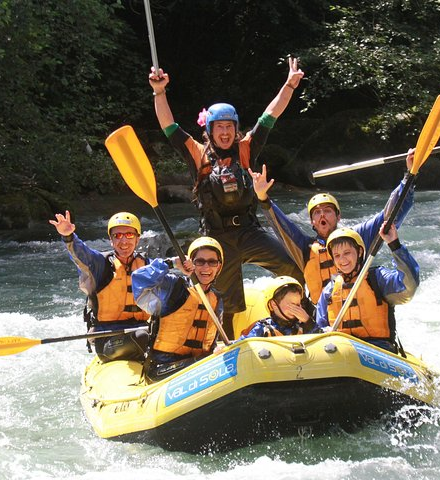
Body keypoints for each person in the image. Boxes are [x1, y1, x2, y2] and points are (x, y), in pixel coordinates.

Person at [148, 57, 305, 339]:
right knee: (229, 303)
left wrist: (289, 86)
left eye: (229, 127)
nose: (224, 132)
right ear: (209, 131)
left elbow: (270, 116)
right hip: (217, 237)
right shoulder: (197, 153)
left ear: (235, 129)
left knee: (293, 266)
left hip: (249, 232)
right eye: (218, 127)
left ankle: (302, 322)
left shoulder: (246, 149)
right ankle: (230, 346)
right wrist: (160, 92)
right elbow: (169, 126)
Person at [249, 149, 415, 305]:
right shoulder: (304, 248)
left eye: (327, 211)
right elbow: (282, 226)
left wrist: (409, 176)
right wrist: (263, 198)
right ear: (312, 221)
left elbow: (389, 216)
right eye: (316, 213)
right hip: (324, 319)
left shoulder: (357, 237)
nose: (322, 215)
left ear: (338, 216)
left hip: (358, 310)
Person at [49, 210, 150, 362]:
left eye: (129, 235)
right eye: (117, 236)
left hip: (142, 328)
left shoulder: (147, 265)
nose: (123, 241)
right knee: (143, 336)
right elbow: (81, 254)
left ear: (138, 238)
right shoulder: (100, 264)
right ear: (111, 240)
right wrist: (68, 237)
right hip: (107, 338)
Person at [132, 236, 225, 381]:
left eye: (212, 262)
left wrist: (215, 350)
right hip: (163, 367)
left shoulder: (216, 299)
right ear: (191, 263)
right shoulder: (173, 287)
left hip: (200, 366)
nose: (206, 267)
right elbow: (138, 279)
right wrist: (173, 262)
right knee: (199, 364)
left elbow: (210, 340)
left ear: (218, 266)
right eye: (199, 261)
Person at [315, 225, 419, 353]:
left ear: (359, 252)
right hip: (343, 349)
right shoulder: (330, 290)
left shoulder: (377, 278)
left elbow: (409, 287)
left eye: (347, 253)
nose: (342, 260)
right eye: (337, 255)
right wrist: (325, 331)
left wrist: (394, 245)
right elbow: (319, 327)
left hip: (379, 350)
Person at [238, 276, 317, 339]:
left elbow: (323, 340)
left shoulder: (305, 327)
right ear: (274, 304)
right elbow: (240, 347)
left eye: (298, 305)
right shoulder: (261, 329)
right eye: (292, 305)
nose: (297, 309)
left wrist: (308, 322)